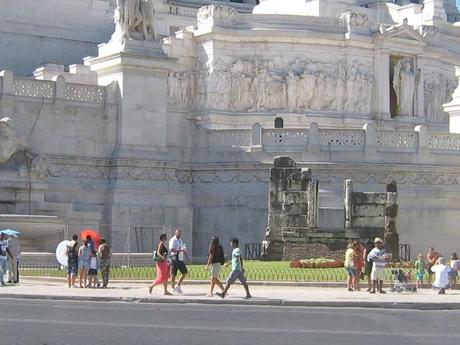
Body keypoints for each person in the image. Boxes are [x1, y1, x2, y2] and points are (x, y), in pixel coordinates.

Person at [169, 229, 188, 294]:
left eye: (180, 234)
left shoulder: (180, 240)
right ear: (175, 233)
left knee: (184, 272)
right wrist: (180, 250)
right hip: (174, 258)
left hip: (180, 259)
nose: (179, 235)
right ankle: (172, 288)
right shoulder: (172, 240)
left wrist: (185, 253)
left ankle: (178, 285)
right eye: (178, 233)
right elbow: (171, 249)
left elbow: (182, 249)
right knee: (173, 274)